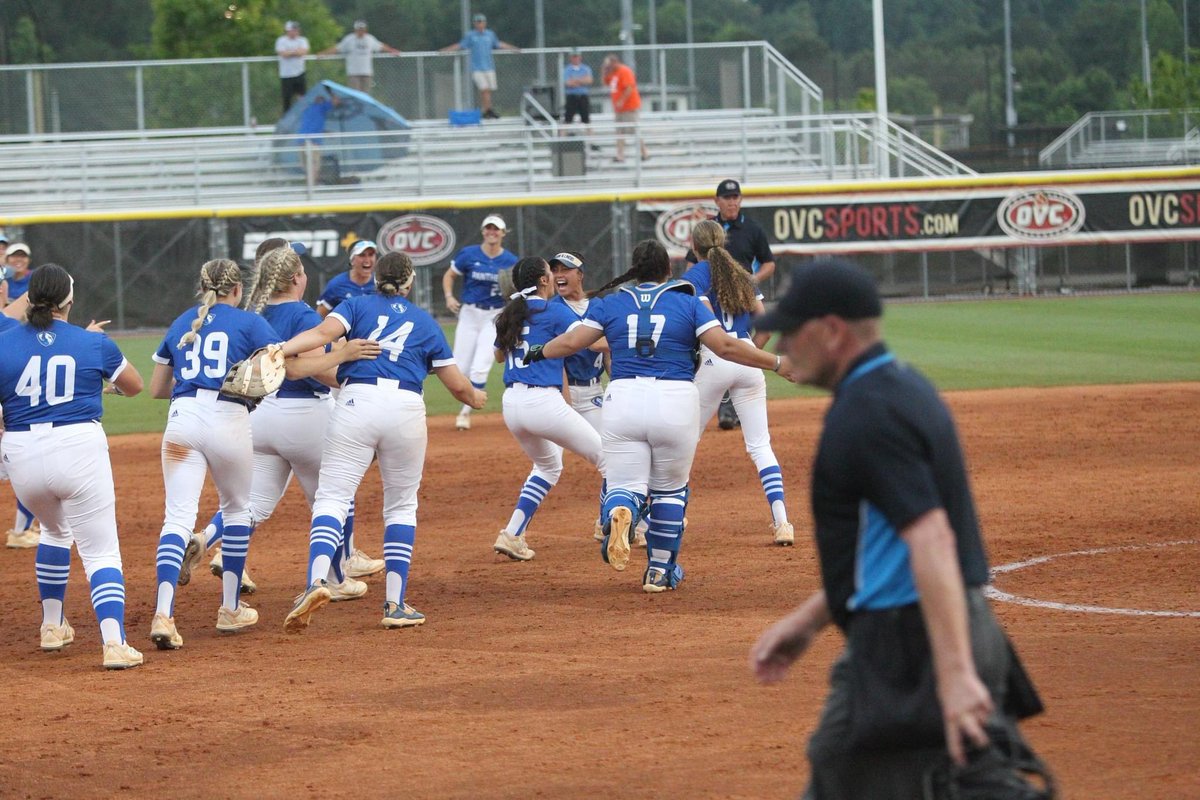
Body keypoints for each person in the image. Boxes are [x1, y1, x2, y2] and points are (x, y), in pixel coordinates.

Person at [749, 260, 1052, 799]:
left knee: (853, 774)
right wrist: (809, 621)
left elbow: (930, 536)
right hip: (927, 631)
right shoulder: (903, 388)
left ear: (832, 331)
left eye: (793, 330)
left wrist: (953, 673)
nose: (785, 343)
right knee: (855, 771)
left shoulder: (867, 413)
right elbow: (882, 544)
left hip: (913, 644)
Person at [526, 240, 792, 592]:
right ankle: (658, 572)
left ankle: (621, 511)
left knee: (624, 485)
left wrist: (538, 351)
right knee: (669, 491)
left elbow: (573, 342)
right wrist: (777, 363)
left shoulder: (610, 303)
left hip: (623, 399)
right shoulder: (688, 302)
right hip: (674, 399)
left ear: (635, 271)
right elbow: (726, 346)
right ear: (669, 270)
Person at [279, 252, 487, 632]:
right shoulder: (424, 321)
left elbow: (322, 335)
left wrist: (281, 349)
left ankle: (316, 580)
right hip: (406, 407)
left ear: (376, 278)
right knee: (401, 506)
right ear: (409, 283)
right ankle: (395, 603)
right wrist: (476, 397)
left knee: (332, 497)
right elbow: (458, 386)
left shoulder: (355, 305)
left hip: (357, 400)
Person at [196, 241, 382, 600]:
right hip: (304, 416)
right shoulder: (304, 316)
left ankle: (206, 537)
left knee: (253, 502)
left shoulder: (254, 313)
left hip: (260, 417)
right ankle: (335, 577)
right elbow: (315, 372)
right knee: (333, 497)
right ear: (297, 277)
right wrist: (346, 364)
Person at [0, 264, 146, 669]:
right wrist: (99, 378)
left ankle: (52, 626)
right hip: (78, 446)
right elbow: (135, 385)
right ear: (69, 300)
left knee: (53, 529)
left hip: (23, 452)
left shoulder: (3, 342)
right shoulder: (92, 341)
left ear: (28, 298)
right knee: (100, 552)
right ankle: (114, 643)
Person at [147, 259, 284, 649]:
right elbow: (278, 368)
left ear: (202, 286)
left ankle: (163, 614)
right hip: (228, 415)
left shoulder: (182, 322)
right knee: (237, 510)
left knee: (177, 518)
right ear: (237, 289)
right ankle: (230, 608)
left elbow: (158, 388)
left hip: (182, 417)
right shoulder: (250, 322)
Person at [682, 220, 793, 546]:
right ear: (723, 242)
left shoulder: (692, 278)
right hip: (747, 359)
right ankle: (782, 522)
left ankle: (666, 517)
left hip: (713, 359)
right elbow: (766, 325)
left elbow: (702, 328)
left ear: (694, 246)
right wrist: (749, 355)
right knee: (760, 445)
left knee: (685, 442)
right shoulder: (742, 273)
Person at [491, 256, 606, 561]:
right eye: (549, 273)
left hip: (512, 404)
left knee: (547, 467)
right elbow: (586, 341)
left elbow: (499, 357)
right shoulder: (553, 309)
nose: (555, 277)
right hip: (542, 401)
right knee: (609, 459)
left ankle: (512, 534)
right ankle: (613, 525)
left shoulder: (512, 311)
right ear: (543, 280)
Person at [688, 179, 778, 431]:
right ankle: (727, 404)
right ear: (717, 201)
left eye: (735, 197)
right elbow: (765, 330)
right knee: (760, 443)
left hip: (733, 311)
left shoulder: (752, 229)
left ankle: (728, 404)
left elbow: (769, 263)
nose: (732, 201)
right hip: (727, 310)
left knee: (687, 433)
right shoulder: (710, 232)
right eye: (727, 197)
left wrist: (750, 284)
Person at [441, 213, 519, 431]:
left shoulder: (510, 261)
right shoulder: (469, 254)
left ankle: (465, 412)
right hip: (469, 313)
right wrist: (449, 296)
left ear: (503, 233)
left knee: (479, 368)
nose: (492, 232)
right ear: (483, 231)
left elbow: (517, 291)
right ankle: (468, 403)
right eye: (488, 228)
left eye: (496, 229)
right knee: (460, 367)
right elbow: (449, 275)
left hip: (494, 316)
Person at [2, 243, 41, 549]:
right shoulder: (7, 325)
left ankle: (21, 530)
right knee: (31, 468)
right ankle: (20, 531)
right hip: (10, 413)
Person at [440, 13, 520, 120]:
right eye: (477, 22)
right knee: (484, 89)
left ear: (485, 23)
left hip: (489, 67)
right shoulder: (471, 35)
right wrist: (446, 50)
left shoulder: (490, 34)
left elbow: (498, 44)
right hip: (477, 68)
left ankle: (486, 110)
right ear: (475, 24)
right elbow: (460, 45)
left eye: (481, 22)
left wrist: (513, 48)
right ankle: (488, 110)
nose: (479, 24)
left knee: (488, 90)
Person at [319, 20, 400, 95]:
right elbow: (337, 48)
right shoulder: (349, 39)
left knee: (366, 95)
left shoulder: (370, 39)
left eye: (362, 29)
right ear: (355, 30)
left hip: (366, 73)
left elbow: (381, 46)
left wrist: (392, 50)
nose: (361, 31)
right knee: (355, 94)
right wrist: (324, 54)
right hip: (353, 73)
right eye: (359, 29)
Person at [601, 54, 648, 163]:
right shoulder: (611, 73)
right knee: (619, 132)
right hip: (619, 109)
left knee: (634, 130)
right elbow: (605, 83)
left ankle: (644, 153)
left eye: (609, 64)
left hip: (629, 107)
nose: (608, 66)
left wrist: (621, 101)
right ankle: (620, 155)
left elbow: (629, 87)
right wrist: (604, 71)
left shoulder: (624, 71)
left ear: (614, 62)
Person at [318, 239, 377, 318]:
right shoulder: (337, 284)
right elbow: (320, 316)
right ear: (352, 260)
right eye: (362, 255)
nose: (367, 260)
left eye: (371, 255)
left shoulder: (380, 283)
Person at [276, 20, 310, 113]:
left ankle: (303, 115)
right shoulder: (281, 40)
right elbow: (283, 54)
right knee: (287, 98)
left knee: (302, 97)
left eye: (296, 29)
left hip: (300, 72)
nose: (296, 31)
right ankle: (287, 117)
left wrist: (290, 52)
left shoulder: (302, 40)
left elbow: (303, 52)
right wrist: (295, 52)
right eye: (293, 29)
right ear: (288, 30)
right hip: (286, 74)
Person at [562, 49, 594, 132]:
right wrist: (582, 80)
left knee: (586, 119)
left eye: (577, 57)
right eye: (574, 57)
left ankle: (591, 138)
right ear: (570, 58)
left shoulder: (586, 68)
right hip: (571, 96)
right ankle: (562, 138)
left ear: (580, 57)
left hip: (583, 96)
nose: (575, 59)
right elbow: (568, 83)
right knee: (567, 118)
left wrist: (575, 80)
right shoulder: (567, 69)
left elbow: (589, 81)